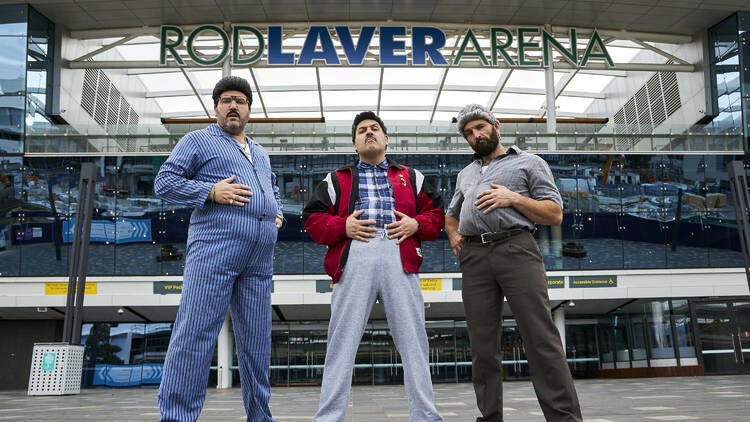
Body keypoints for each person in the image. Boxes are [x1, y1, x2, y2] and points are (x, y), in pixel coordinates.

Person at [154, 76, 283, 422]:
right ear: (215, 108)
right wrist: (210, 191)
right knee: (195, 334)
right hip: (214, 250)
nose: (233, 106)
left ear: (249, 110)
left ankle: (260, 417)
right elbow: (164, 182)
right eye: (226, 100)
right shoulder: (198, 140)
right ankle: (177, 417)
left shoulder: (260, 153)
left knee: (257, 344)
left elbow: (271, 188)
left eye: (240, 100)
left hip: (259, 259)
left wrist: (278, 213)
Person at [303, 111, 445, 422]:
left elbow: (437, 217)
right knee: (341, 340)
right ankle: (329, 418)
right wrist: (343, 228)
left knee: (414, 341)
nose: (369, 133)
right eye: (363, 130)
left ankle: (426, 417)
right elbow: (312, 220)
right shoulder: (336, 179)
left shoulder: (413, 176)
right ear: (354, 143)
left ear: (386, 138)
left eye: (375, 129)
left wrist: (415, 223)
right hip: (356, 252)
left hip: (399, 252)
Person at [445, 104, 582, 422]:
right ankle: (489, 418)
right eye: (468, 132)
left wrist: (514, 198)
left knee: (540, 337)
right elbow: (451, 216)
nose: (475, 135)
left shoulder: (529, 162)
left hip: (516, 249)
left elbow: (554, 213)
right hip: (475, 258)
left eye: (480, 127)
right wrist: (454, 236)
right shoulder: (465, 174)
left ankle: (564, 419)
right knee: (481, 346)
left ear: (496, 126)